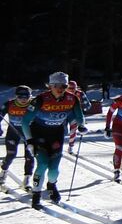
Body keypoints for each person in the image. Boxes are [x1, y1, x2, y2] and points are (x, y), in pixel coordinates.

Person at [20, 71, 86, 208]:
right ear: (50, 86)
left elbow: (79, 116)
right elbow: (25, 121)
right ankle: (36, 195)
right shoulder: (41, 99)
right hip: (39, 134)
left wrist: (81, 126)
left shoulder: (72, 98)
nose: (60, 89)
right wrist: (30, 140)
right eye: (56, 85)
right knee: (42, 164)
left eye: (63, 85)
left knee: (54, 169)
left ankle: (51, 185)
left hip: (57, 135)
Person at [1, 85, 35, 190]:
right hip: (13, 132)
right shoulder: (9, 104)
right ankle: (3, 173)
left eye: (26, 97)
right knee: (11, 155)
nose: (24, 100)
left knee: (30, 156)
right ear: (16, 96)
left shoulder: (34, 105)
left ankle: (27, 179)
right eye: (20, 97)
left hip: (29, 134)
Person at [65, 79, 93, 153]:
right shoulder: (63, 94)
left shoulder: (80, 94)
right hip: (63, 113)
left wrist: (83, 108)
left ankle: (71, 146)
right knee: (63, 130)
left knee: (73, 130)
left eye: (74, 88)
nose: (72, 90)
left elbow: (88, 105)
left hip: (75, 114)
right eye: (70, 88)